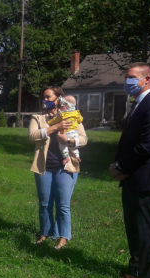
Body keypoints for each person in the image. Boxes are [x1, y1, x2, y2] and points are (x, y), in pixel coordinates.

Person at [109, 62, 150, 278]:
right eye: (126, 77)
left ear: (147, 79)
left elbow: (146, 147)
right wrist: (120, 166)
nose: (128, 81)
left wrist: (121, 167)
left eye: (132, 77)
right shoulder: (137, 104)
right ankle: (135, 270)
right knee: (132, 227)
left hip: (145, 179)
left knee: (145, 230)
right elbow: (127, 141)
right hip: (131, 177)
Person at [29, 87, 87, 249]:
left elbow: (83, 139)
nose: (45, 100)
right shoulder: (38, 118)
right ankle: (46, 233)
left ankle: (63, 236)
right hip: (44, 167)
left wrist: (69, 141)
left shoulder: (72, 115)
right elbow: (32, 136)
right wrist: (54, 127)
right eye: (43, 97)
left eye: (48, 97)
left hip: (66, 166)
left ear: (58, 99)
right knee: (45, 203)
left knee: (62, 204)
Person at [47, 95, 84, 165]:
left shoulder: (62, 114)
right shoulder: (77, 113)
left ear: (66, 105)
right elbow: (80, 120)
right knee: (74, 147)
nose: (61, 106)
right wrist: (77, 121)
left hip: (66, 133)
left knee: (62, 145)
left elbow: (54, 120)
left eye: (62, 105)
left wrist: (49, 122)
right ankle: (77, 156)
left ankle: (66, 157)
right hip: (74, 133)